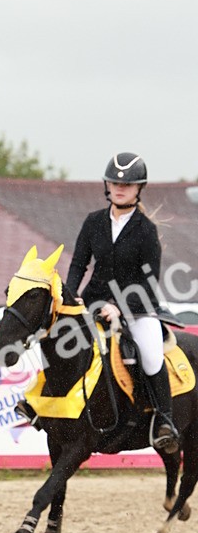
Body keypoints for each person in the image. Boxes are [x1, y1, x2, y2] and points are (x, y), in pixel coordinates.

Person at [66, 152, 179, 454]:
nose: (120, 188)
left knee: (152, 354)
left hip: (137, 306)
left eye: (126, 185)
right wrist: (71, 294)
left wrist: (119, 306)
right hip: (92, 302)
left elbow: (149, 277)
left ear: (138, 188)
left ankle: (164, 420)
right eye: (115, 182)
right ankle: (41, 404)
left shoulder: (145, 229)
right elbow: (79, 263)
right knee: (60, 340)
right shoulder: (93, 223)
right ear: (107, 185)